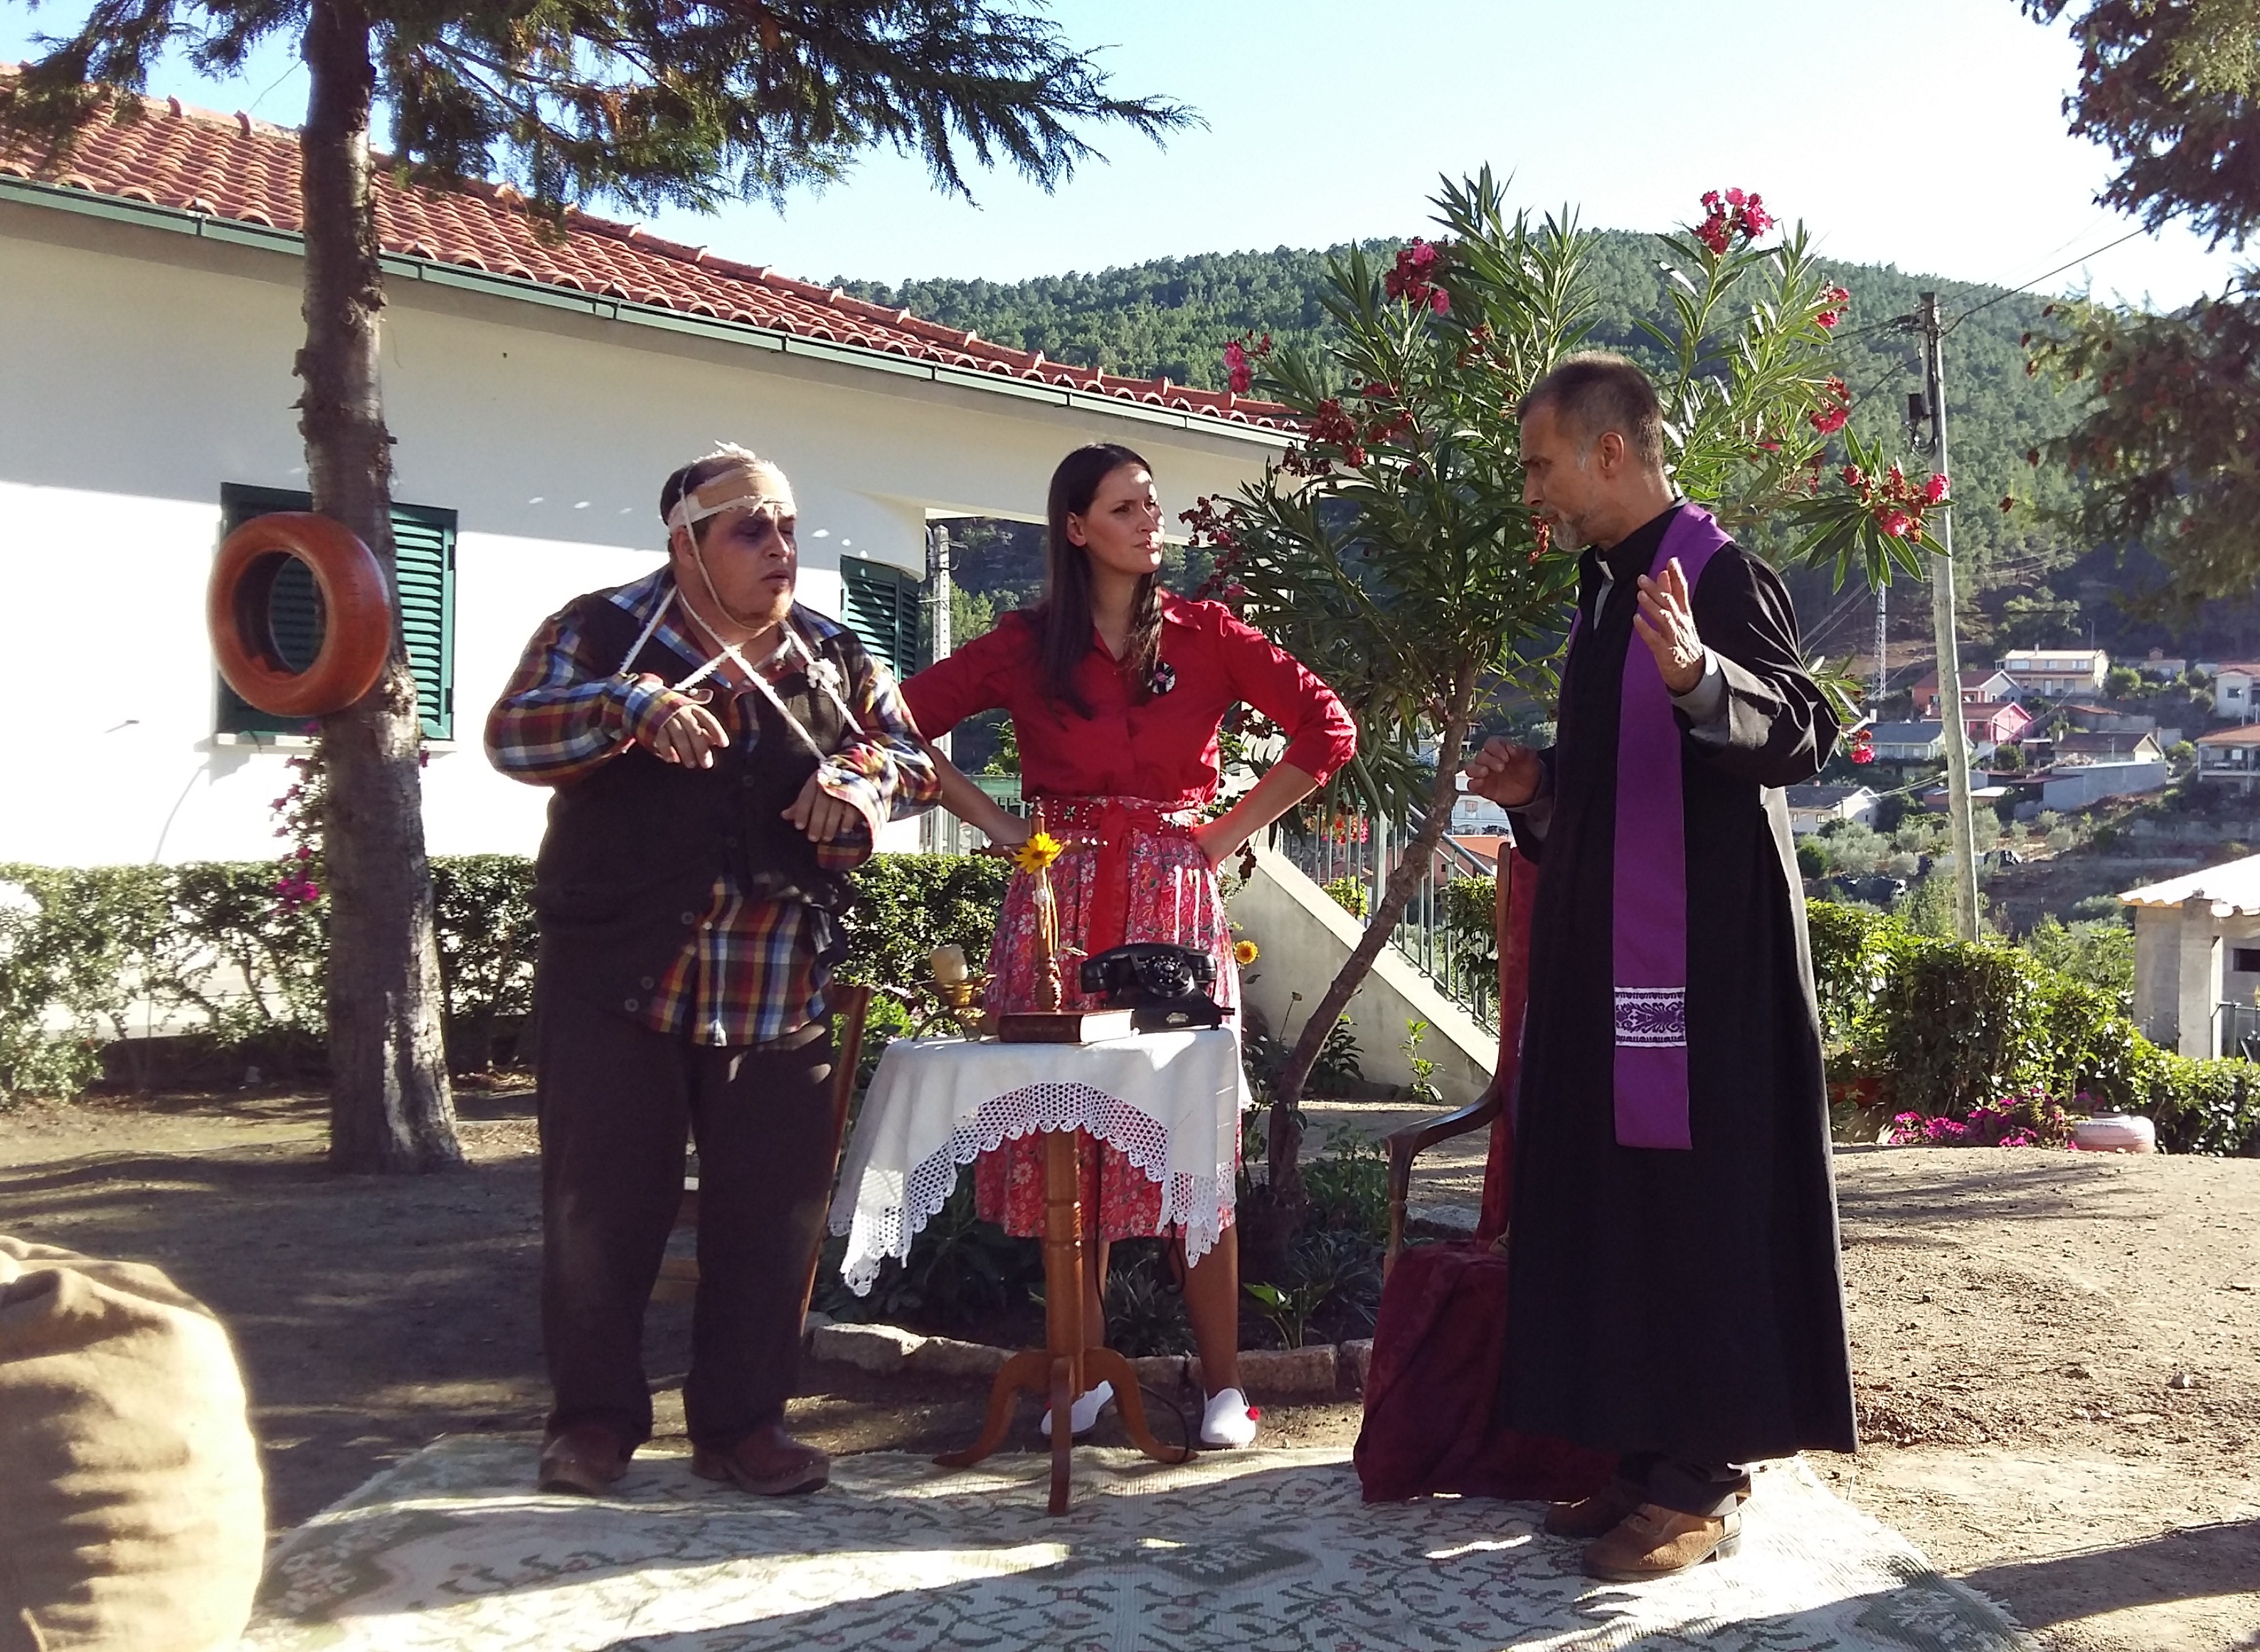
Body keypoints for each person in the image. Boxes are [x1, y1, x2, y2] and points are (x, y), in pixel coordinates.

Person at [1463, 354, 1857, 1581]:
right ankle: (1642, 1451)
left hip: (1714, 969)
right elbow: (1618, 791)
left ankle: (1707, 1473)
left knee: (1709, 1206)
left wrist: (1698, 675)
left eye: (1540, 463)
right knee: (1627, 1201)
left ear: (1610, 451)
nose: (1533, 490)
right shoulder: (1600, 591)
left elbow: (1803, 730)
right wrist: (1538, 793)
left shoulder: (1718, 573)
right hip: (1617, 964)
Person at [487, 443, 939, 1499]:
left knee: (770, 1217)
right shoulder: (599, 630)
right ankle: (592, 1421)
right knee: (600, 1208)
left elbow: (913, 757)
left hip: (777, 980)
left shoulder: (826, 652)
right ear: (685, 542)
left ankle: (742, 1425)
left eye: (788, 527)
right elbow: (512, 734)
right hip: (620, 975)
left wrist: (860, 782)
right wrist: (625, 710)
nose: (781, 548)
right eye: (752, 529)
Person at [904, 442, 1354, 1450]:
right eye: (1126, 505)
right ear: (1076, 527)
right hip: (1058, 906)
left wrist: (1227, 832)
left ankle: (1227, 1386)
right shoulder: (1023, 646)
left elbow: (1328, 730)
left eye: (1153, 503)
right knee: (1079, 1142)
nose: (1153, 519)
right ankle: (1080, 1375)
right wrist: (998, 824)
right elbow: (890, 724)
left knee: (1190, 1137)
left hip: (1171, 908)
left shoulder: (1207, 635)